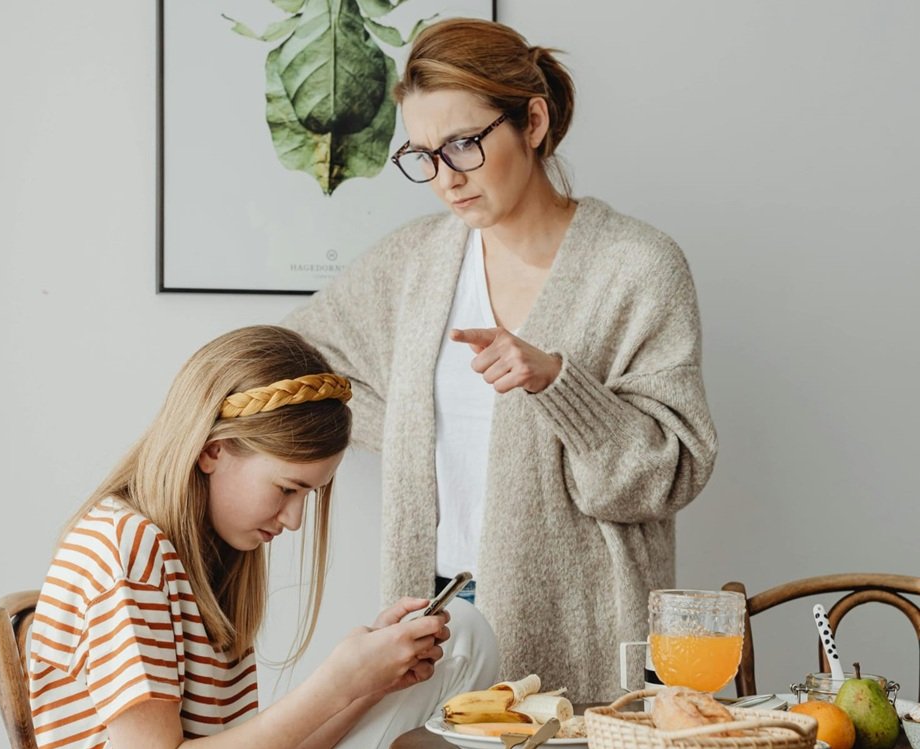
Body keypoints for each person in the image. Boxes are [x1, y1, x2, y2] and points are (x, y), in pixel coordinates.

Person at [284, 18, 718, 701]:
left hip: (583, 623)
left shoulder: (637, 267)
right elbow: (294, 359)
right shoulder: (417, 262)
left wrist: (557, 384)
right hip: (432, 618)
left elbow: (666, 475)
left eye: (462, 144)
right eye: (423, 154)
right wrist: (403, 420)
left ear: (534, 122)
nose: (445, 179)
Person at [27, 325, 499, 749]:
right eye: (287, 489)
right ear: (213, 450)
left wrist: (368, 684)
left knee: (461, 629)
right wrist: (336, 682)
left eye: (307, 497)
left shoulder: (204, 558)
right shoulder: (127, 551)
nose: (293, 520)